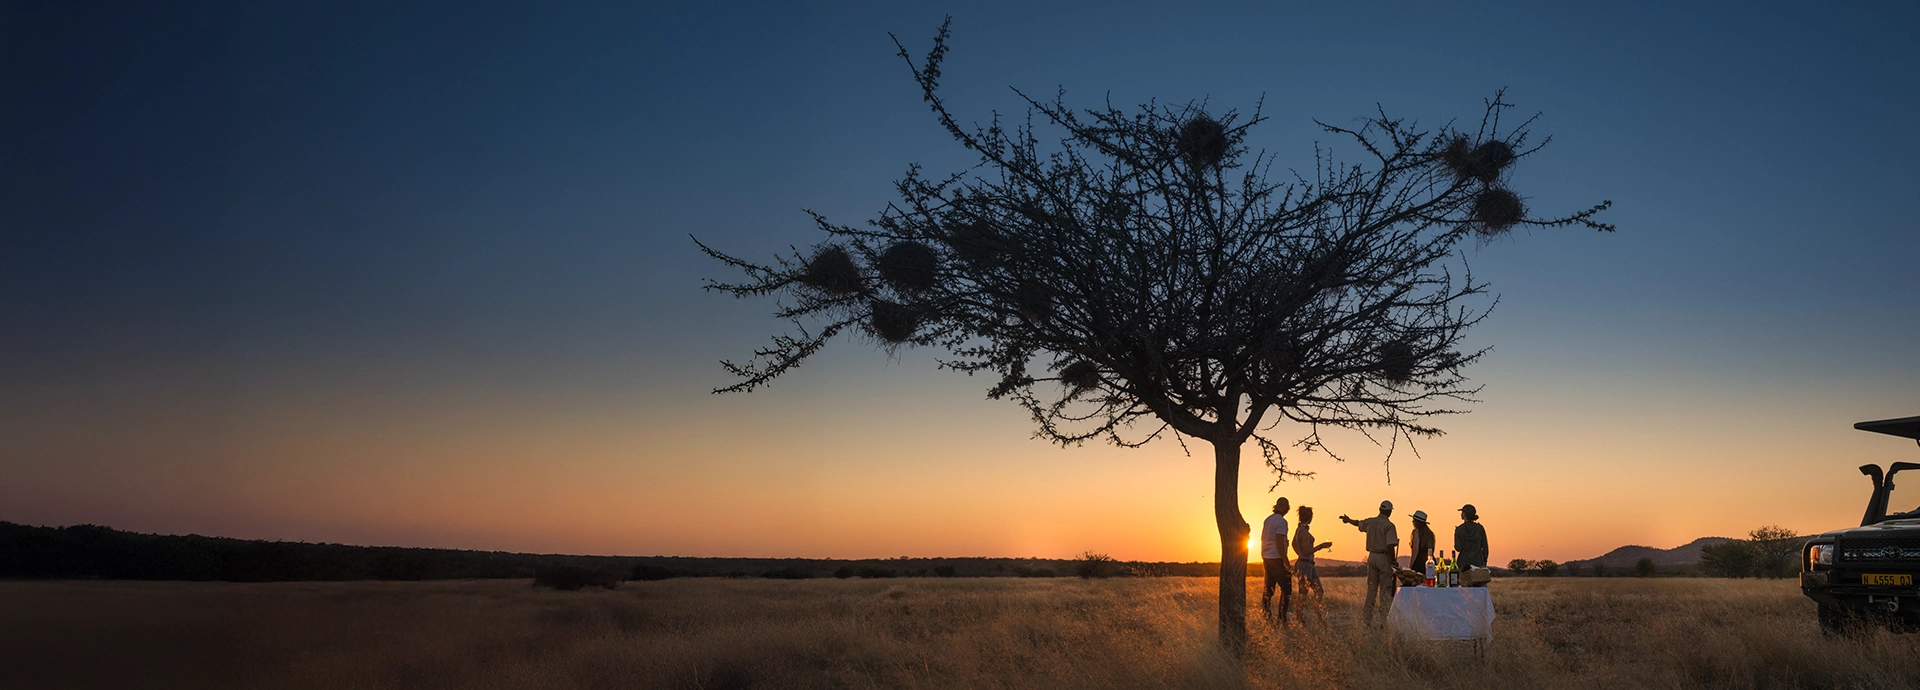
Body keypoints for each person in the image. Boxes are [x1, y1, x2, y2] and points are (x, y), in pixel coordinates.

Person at [1340, 500, 1399, 624]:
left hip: (1371, 557)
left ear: (1379, 509)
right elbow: (1390, 546)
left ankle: (1367, 620)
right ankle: (1384, 621)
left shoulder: (1371, 522)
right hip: (1384, 558)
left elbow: (1358, 523)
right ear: (1389, 512)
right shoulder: (1389, 526)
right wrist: (1393, 561)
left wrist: (1348, 520)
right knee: (1385, 591)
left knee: (1371, 590)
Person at [1291, 506, 1333, 625]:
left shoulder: (1299, 529)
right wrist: (1321, 546)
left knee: (1318, 591)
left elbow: (1294, 544)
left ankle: (1318, 616)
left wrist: (1300, 554)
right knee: (1303, 593)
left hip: (1308, 564)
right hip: (1305, 565)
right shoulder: (1303, 532)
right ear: (1310, 517)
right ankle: (1300, 619)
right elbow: (1306, 550)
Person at [1259, 497, 1292, 625]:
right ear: (1286, 508)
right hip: (1276, 558)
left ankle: (1267, 617)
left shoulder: (1268, 519)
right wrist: (1285, 560)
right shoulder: (1282, 522)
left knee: (1269, 589)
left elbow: (1269, 539)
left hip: (1266, 557)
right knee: (1287, 589)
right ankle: (1282, 619)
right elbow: (1278, 541)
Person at [1455, 504, 1489, 582]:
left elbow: (1458, 548)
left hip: (1463, 564)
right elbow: (1485, 547)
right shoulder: (1480, 528)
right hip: (1478, 562)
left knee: (1463, 589)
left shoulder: (1459, 529)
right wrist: (1484, 561)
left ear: (1464, 514)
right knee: (1479, 588)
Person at [1407, 509, 1435, 583]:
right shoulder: (1430, 534)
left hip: (1418, 562)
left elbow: (1415, 550)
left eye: (1413, 520)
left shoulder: (1416, 532)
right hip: (1430, 562)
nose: (1412, 522)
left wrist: (1411, 565)